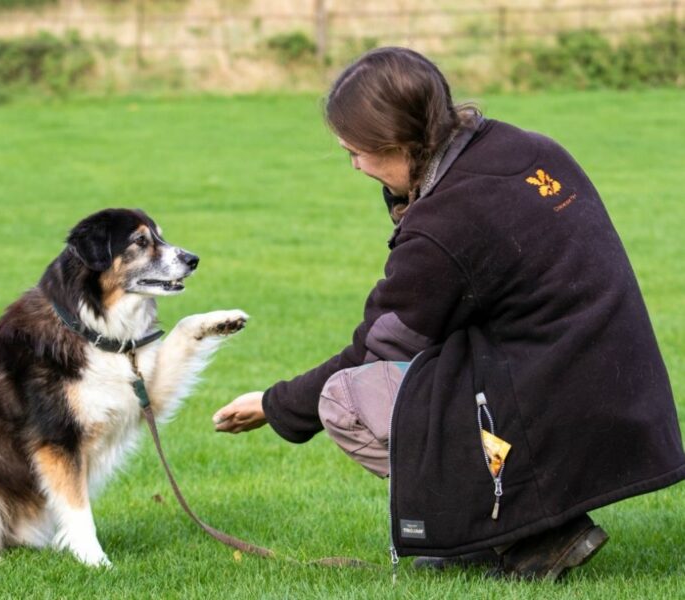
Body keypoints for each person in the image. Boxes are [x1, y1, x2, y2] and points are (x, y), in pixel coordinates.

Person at [212, 47, 685, 581]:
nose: (354, 165)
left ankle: (535, 535)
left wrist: (276, 405)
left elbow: (378, 348)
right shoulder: (521, 147)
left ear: (395, 142)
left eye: (356, 152)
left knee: (345, 399)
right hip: (621, 390)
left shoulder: (448, 222)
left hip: (562, 405)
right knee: (438, 361)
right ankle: (506, 528)